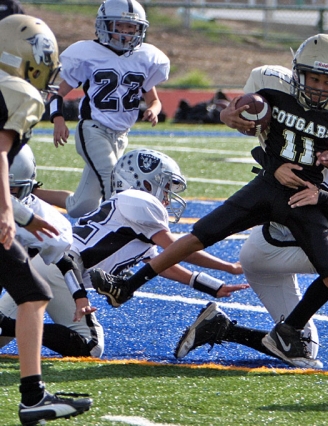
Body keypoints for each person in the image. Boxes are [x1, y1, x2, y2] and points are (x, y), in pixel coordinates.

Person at [90, 34, 328, 373]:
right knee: (201, 233)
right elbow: (247, 124)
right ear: (297, 72)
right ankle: (127, 285)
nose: (319, 87)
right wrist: (233, 117)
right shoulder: (271, 84)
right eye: (313, 78)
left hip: (302, 196)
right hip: (269, 187)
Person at [174, 132, 328, 373]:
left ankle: (222, 328)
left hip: (285, 257)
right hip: (266, 245)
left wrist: (325, 200)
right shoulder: (327, 168)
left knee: (306, 347)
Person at [0, 14, 93, 425]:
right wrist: (10, 211)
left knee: (32, 292)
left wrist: (22, 213)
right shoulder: (17, 92)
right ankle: (33, 398)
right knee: (31, 293)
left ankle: (34, 397)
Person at [51, 148, 247, 309]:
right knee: (87, 342)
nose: (168, 197)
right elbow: (179, 249)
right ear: (142, 182)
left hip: (64, 271)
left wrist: (213, 286)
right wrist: (228, 267)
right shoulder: (140, 201)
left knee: (86, 342)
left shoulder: (128, 211)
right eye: (165, 185)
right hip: (64, 267)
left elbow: (165, 265)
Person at [34, 0, 169, 218]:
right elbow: (57, 93)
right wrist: (58, 119)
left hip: (120, 135)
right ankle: (116, 227)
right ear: (105, 25)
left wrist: (153, 109)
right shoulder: (88, 52)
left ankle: (30, 192)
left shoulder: (145, 57)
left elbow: (154, 99)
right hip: (93, 129)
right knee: (114, 179)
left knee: (80, 206)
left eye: (131, 27)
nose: (126, 32)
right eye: (120, 26)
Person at [0, 145, 104, 358]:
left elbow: (62, 258)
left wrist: (80, 297)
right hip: (15, 276)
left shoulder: (42, 217)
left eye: (12, 190)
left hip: (34, 274)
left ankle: (7, 324)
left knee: (89, 347)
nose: (6, 199)